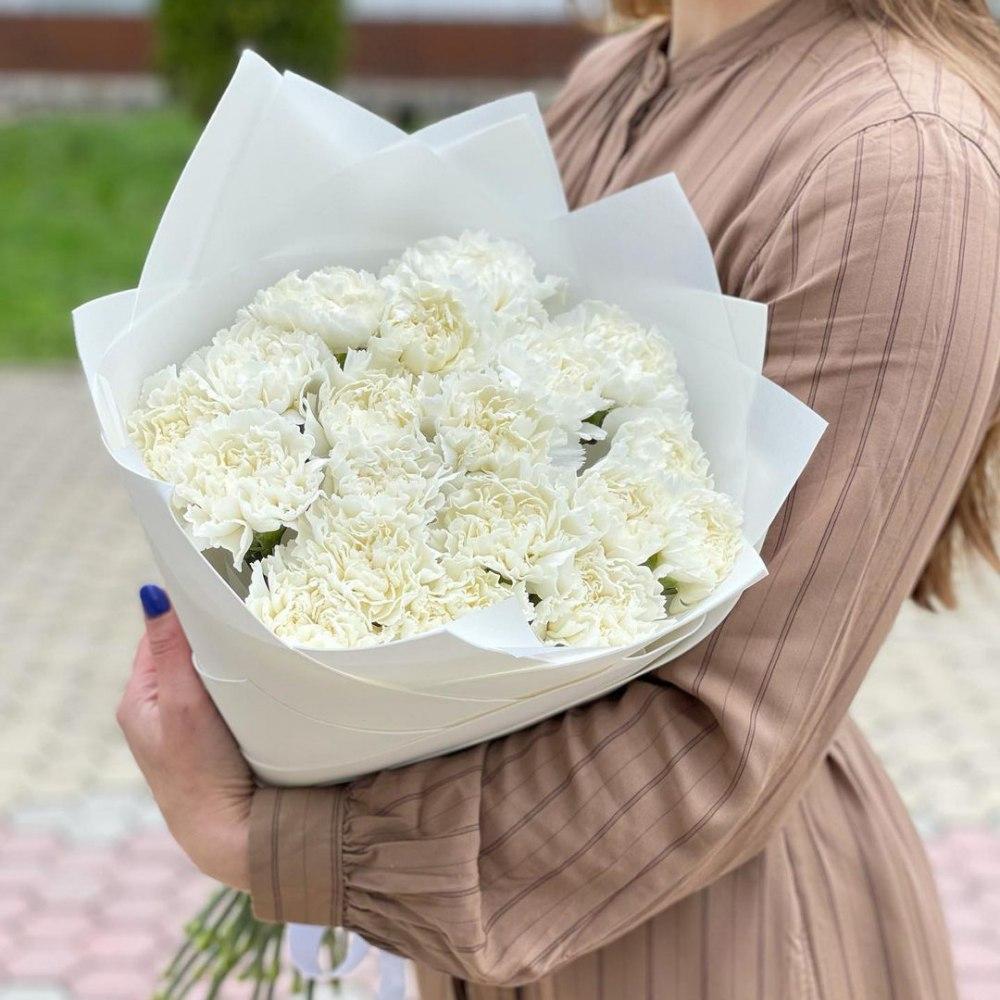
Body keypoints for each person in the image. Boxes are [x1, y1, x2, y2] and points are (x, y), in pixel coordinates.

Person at [118, 1, 1000, 997]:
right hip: (503, 922)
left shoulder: (895, 163)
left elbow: (724, 738)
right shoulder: (618, 77)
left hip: (717, 943)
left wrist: (273, 840)